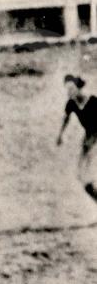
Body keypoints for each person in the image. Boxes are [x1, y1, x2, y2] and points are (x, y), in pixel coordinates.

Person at [57, 74, 97, 203]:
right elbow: (66, 118)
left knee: (88, 172)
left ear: (78, 87)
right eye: (68, 89)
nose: (70, 92)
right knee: (81, 175)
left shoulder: (92, 101)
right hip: (88, 138)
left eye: (72, 88)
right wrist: (60, 135)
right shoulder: (71, 103)